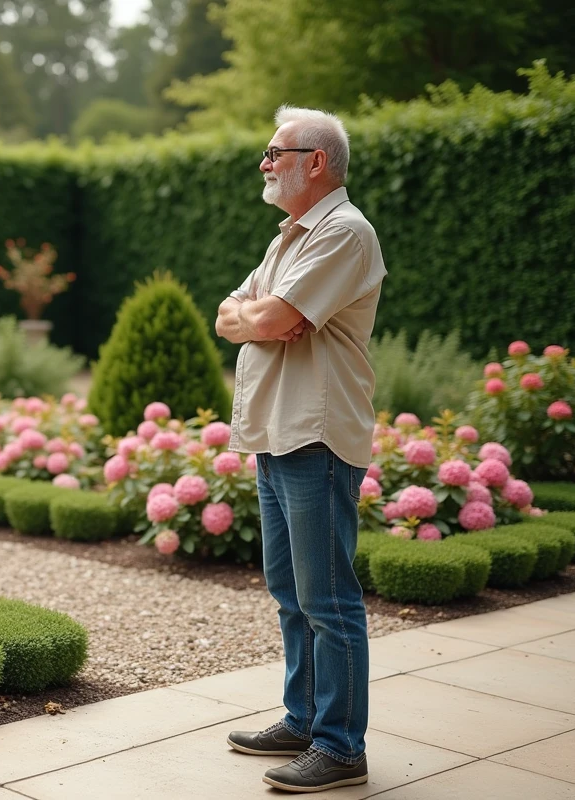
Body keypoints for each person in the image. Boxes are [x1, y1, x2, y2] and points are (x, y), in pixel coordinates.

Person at [214, 105, 386, 793]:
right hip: (277, 432)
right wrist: (255, 318)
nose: (264, 163)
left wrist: (264, 317)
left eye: (273, 151)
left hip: (315, 435)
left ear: (316, 162)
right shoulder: (291, 235)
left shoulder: (343, 233)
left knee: (328, 598)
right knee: (290, 592)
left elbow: (276, 315)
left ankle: (341, 747)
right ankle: (303, 718)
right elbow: (234, 311)